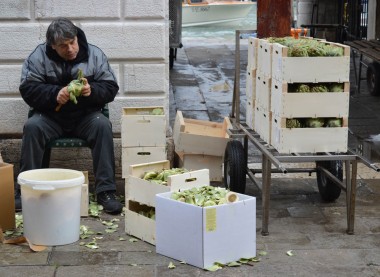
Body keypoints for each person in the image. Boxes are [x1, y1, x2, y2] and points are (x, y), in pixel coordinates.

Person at [16, 17, 123, 214]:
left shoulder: (94, 54)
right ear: (52, 46)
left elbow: (111, 87)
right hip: (50, 118)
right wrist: (54, 94)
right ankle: (26, 191)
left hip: (86, 117)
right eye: (63, 46)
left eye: (72, 42)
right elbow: (28, 89)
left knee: (102, 125)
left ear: (76, 37)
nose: (70, 49)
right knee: (32, 126)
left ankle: (106, 192)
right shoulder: (38, 56)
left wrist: (93, 91)